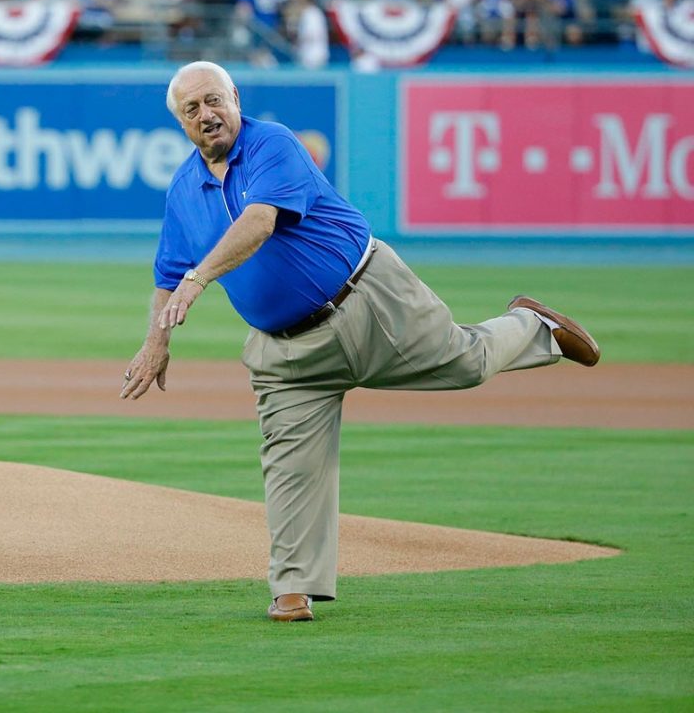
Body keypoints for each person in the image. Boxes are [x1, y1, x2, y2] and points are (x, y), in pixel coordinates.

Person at [121, 61, 600, 623]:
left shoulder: (271, 143)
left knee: (466, 363)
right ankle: (293, 589)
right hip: (286, 353)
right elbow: (167, 274)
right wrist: (156, 343)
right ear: (179, 122)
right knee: (290, 465)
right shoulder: (184, 190)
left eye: (213, 100)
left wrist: (200, 279)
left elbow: (259, 221)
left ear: (235, 96)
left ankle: (531, 326)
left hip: (367, 298)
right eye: (191, 109)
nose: (206, 115)